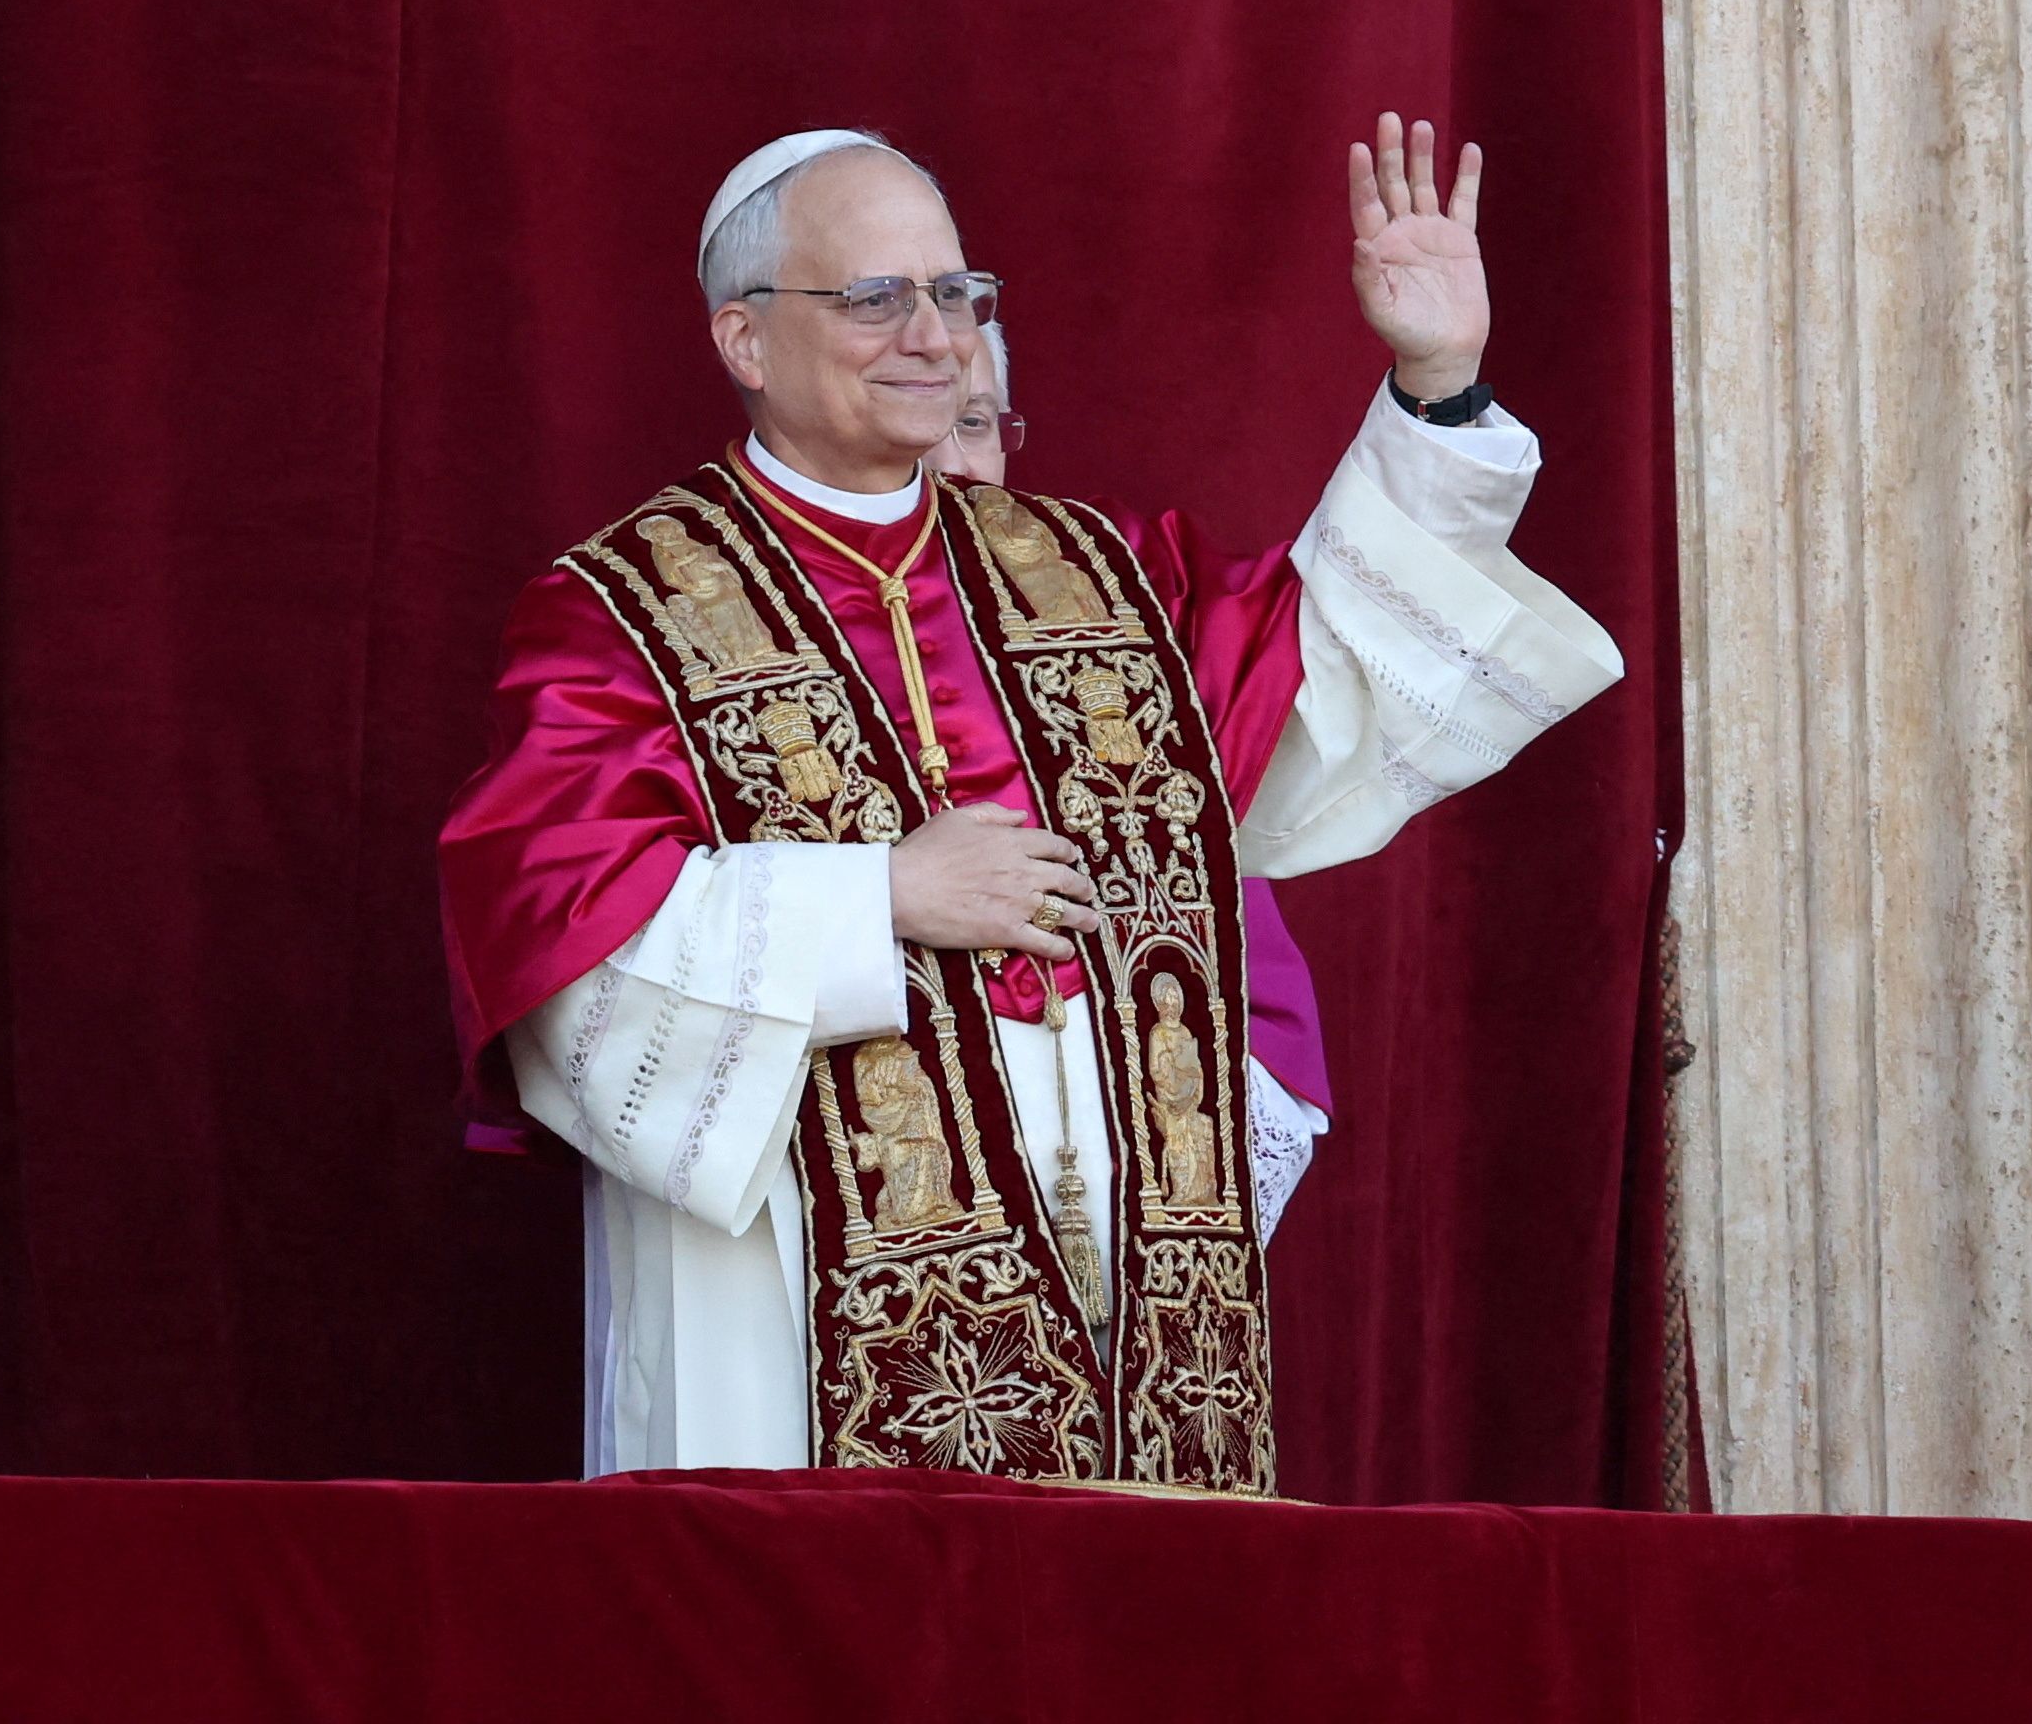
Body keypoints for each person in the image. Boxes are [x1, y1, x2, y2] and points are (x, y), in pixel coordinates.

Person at [437, 116, 1622, 1484]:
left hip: (1127, 1311)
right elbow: (556, 943)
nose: (932, 334)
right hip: (787, 1312)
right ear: (746, 341)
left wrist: (1437, 385)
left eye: (957, 294)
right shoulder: (622, 611)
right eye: (874, 297)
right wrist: (875, 899)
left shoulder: (1103, 569)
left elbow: (1328, 678)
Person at [932, 356, 1339, 1239]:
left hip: (1131, 1138)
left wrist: (1437, 385)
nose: (956, 465)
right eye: (922, 425)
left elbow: (1327, 652)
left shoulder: (1112, 602)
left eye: (975, 424)